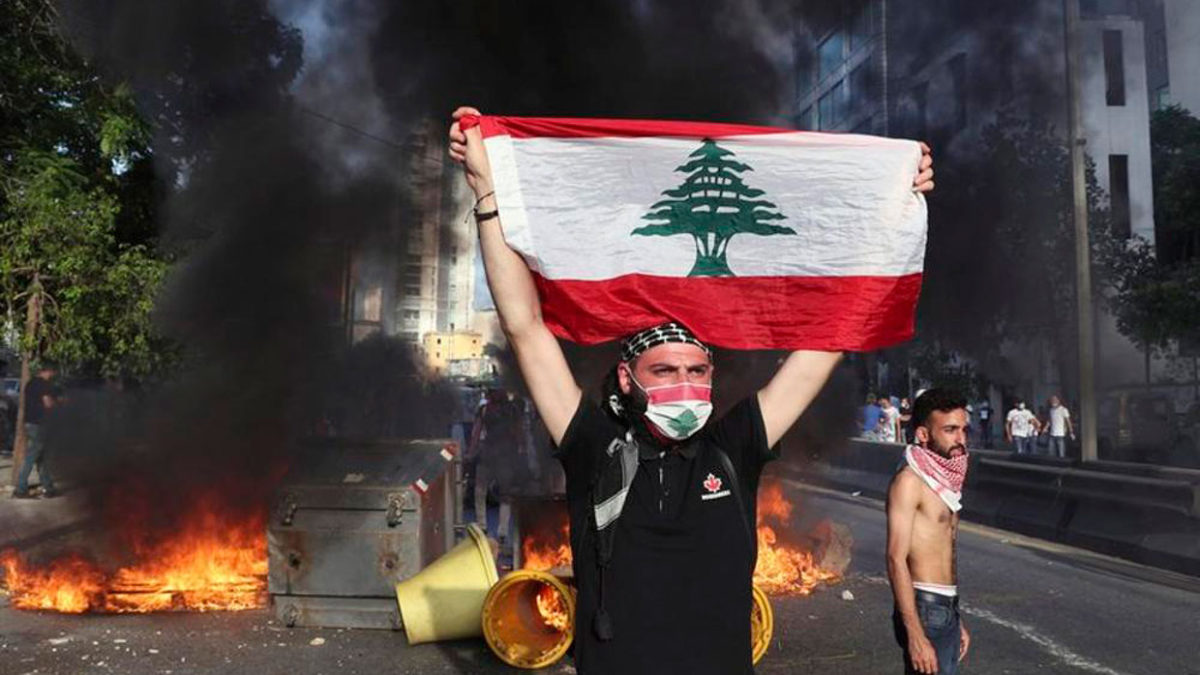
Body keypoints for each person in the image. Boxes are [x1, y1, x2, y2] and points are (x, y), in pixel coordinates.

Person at [449, 105, 934, 674]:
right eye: (666, 372)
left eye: (697, 371)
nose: (686, 385)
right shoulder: (594, 444)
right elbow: (526, 329)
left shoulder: (733, 448)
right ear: (628, 379)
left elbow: (825, 344)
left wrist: (889, 212)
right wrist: (487, 195)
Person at [887, 388, 971, 674]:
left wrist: (956, 619)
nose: (960, 439)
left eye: (963, 429)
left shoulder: (944, 483)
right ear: (923, 434)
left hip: (945, 607)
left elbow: (945, 551)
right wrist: (916, 636)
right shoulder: (909, 482)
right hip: (925, 607)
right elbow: (895, 559)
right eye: (950, 430)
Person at [14, 363, 61, 499]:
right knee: (33, 455)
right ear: (47, 371)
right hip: (39, 424)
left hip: (29, 423)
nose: (52, 375)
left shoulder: (30, 384)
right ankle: (21, 488)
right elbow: (47, 403)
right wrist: (58, 403)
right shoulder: (44, 385)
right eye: (52, 373)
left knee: (41, 457)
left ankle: (49, 487)